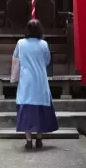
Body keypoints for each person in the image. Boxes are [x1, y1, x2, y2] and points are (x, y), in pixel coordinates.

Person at [12, 19, 59, 150]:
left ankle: (28, 140)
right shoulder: (44, 44)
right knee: (41, 110)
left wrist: (14, 77)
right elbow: (47, 60)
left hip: (26, 80)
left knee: (26, 109)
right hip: (40, 79)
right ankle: (39, 138)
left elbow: (15, 61)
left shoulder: (20, 43)